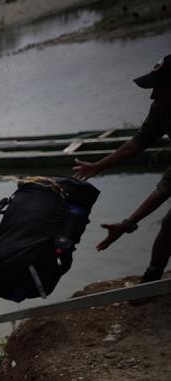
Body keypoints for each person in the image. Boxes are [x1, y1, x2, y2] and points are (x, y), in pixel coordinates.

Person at [73, 53, 171, 284]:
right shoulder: (161, 107)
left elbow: (165, 188)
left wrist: (127, 223)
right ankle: (152, 279)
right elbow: (139, 141)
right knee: (168, 228)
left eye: (159, 88)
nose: (152, 95)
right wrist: (98, 166)